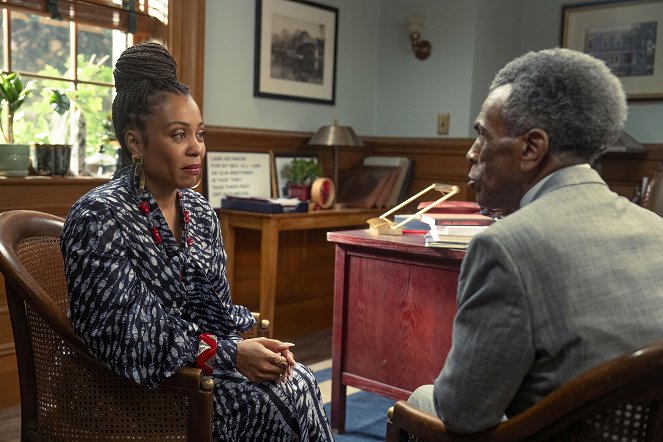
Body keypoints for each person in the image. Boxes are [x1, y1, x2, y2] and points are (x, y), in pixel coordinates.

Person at [60, 41, 334, 441]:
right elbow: (127, 336)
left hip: (198, 371)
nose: (197, 148)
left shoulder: (200, 213)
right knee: (276, 401)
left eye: (200, 134)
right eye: (178, 135)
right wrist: (230, 354)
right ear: (135, 142)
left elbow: (215, 311)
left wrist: (252, 345)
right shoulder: (98, 216)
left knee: (301, 380)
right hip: (129, 388)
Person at [408, 47, 663, 433]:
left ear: (531, 148)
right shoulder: (655, 228)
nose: (470, 153)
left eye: (481, 135)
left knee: (419, 401)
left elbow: (462, 414)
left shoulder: (505, 247)